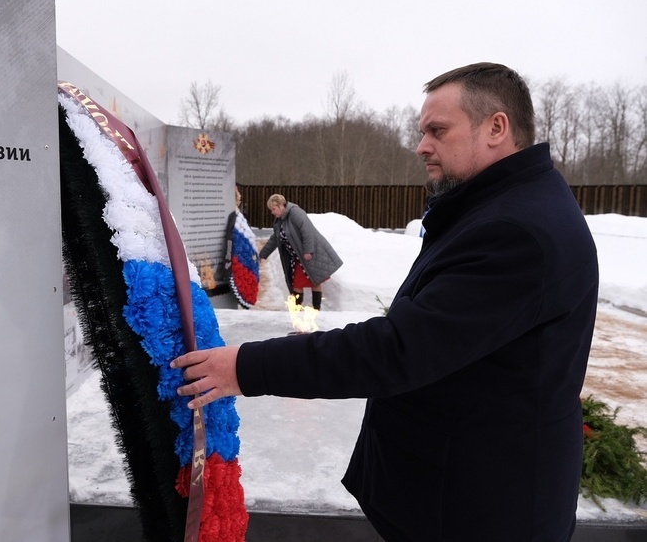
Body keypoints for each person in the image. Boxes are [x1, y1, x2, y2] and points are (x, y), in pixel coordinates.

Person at [172, 63, 599, 541]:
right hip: (458, 491)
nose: (422, 146)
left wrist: (246, 367)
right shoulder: (500, 205)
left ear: (496, 127)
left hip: (479, 509)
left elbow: (399, 349)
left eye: (438, 131)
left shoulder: (516, 231)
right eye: (422, 132)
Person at [258, 194, 342, 311]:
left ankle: (316, 309)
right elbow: (275, 239)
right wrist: (263, 254)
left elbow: (307, 231)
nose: (272, 212)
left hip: (310, 253)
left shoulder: (296, 213)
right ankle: (297, 309)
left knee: (315, 280)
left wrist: (308, 251)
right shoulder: (279, 221)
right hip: (297, 257)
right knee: (297, 282)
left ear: (281, 205)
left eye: (273, 209)